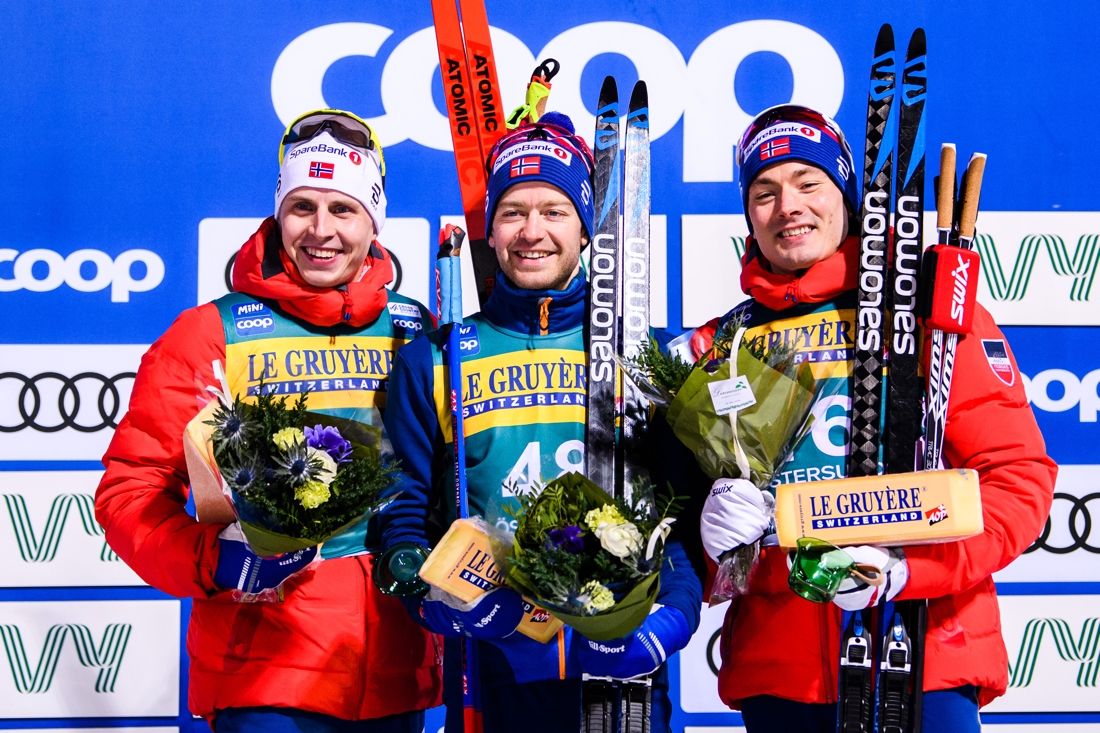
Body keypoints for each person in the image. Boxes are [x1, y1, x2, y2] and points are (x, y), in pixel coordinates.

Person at [676, 105, 1057, 732]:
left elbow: (1017, 482)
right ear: (747, 216)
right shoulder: (722, 347)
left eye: (808, 183)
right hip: (783, 676)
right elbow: (695, 544)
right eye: (764, 192)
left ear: (849, 199)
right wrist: (720, 546)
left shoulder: (931, 316)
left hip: (924, 656)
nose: (788, 206)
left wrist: (909, 572)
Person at [95, 109, 442, 732]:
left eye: (343, 209)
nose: (321, 230)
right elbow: (132, 492)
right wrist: (217, 559)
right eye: (301, 206)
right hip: (264, 671)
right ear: (278, 211)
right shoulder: (210, 333)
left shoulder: (417, 330)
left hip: (397, 670)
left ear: (374, 219)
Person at [377, 112, 704, 733]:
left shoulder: (645, 354)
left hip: (622, 669)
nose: (533, 231)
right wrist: (438, 600)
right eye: (513, 212)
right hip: (490, 662)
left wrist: (669, 623)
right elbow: (403, 515)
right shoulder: (438, 358)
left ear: (586, 230)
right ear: (491, 234)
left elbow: (680, 523)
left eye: (554, 211)